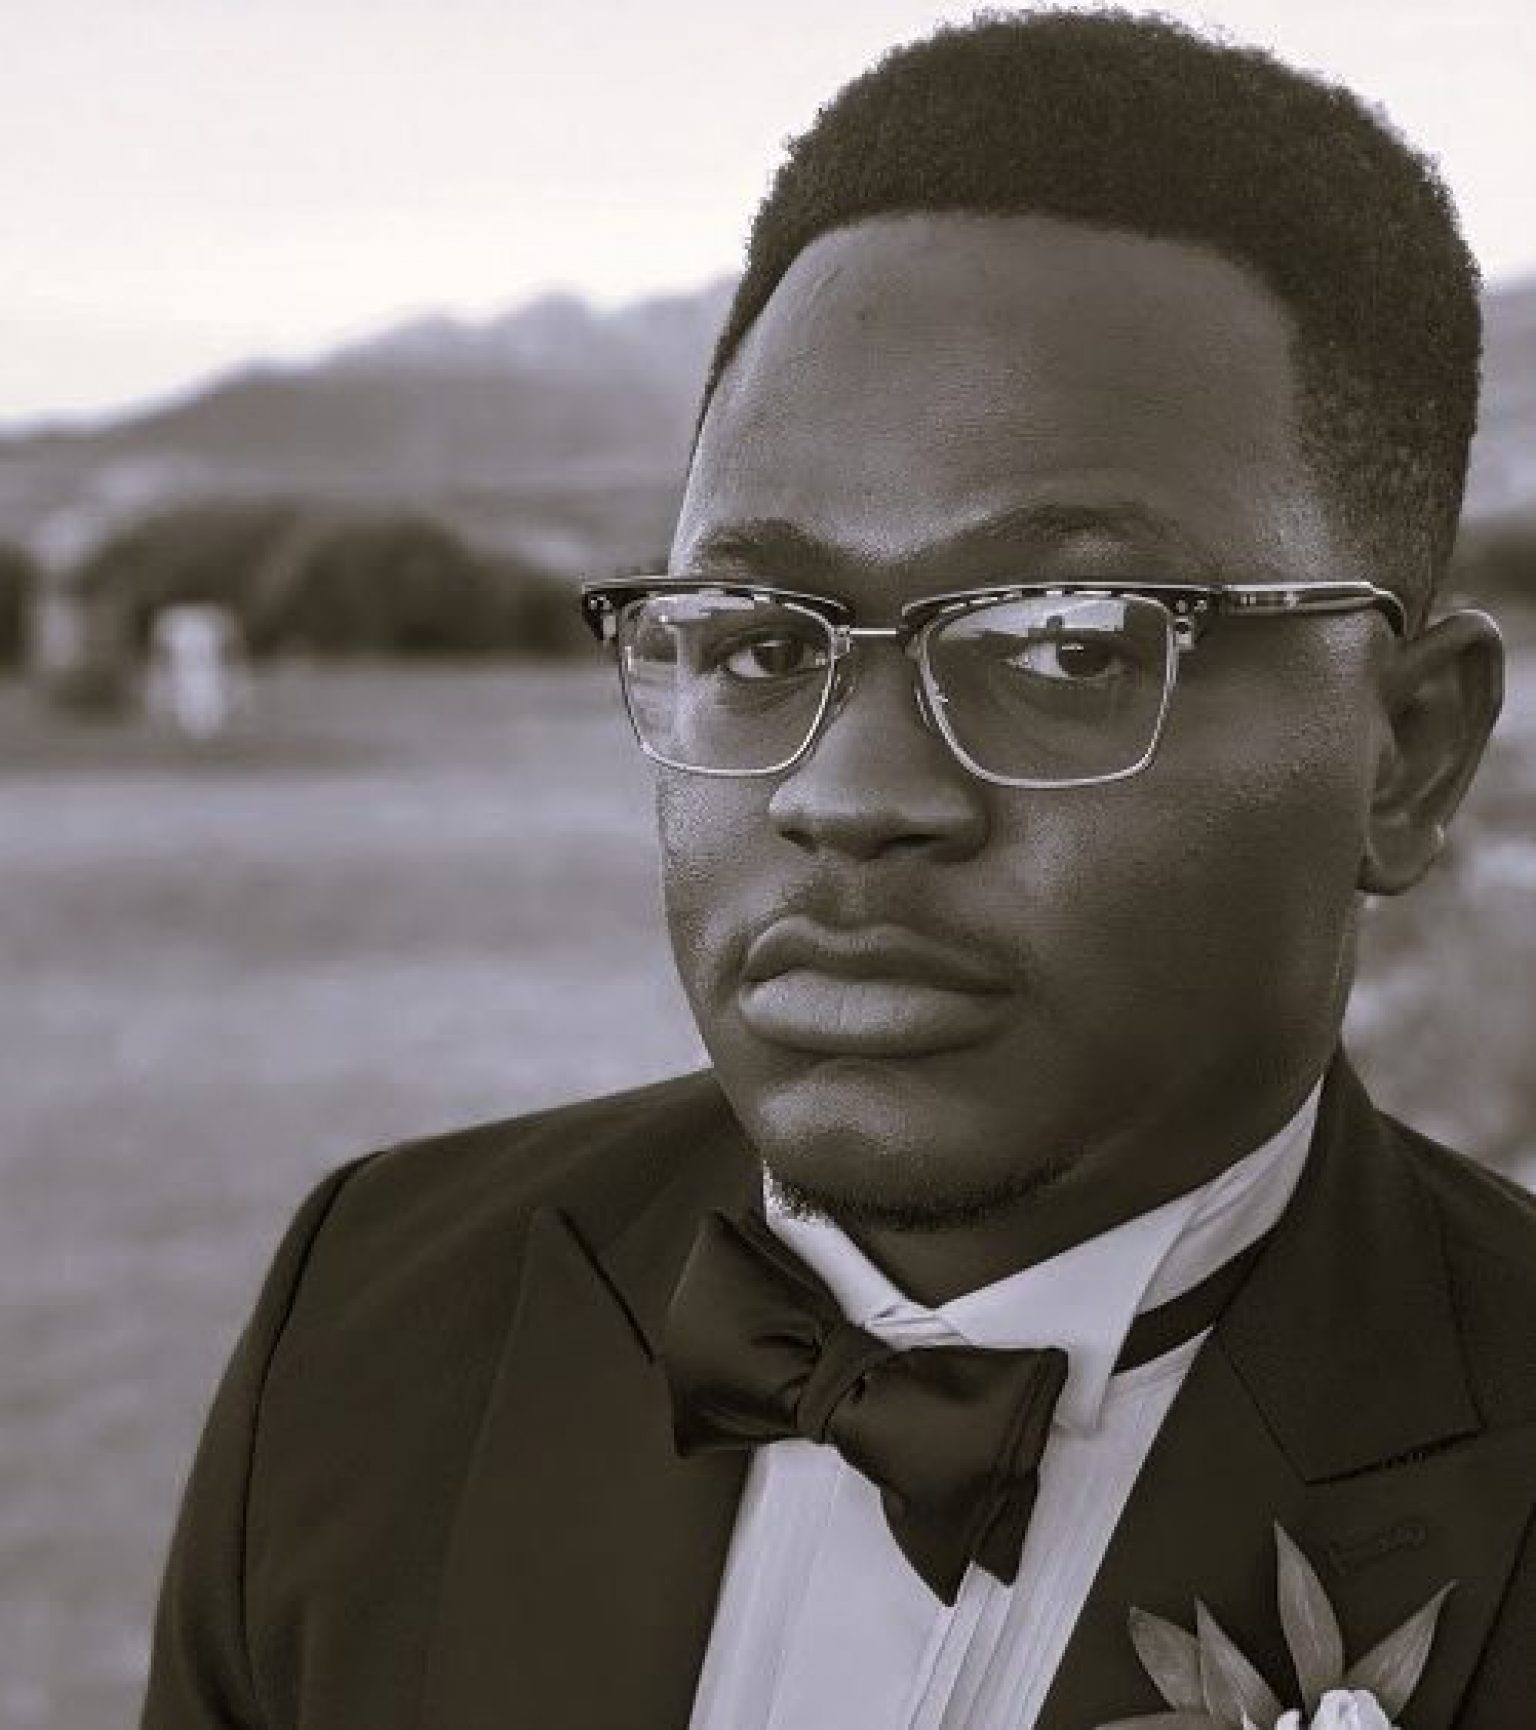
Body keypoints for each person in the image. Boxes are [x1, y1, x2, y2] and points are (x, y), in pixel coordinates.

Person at [141, 13, 1536, 1729]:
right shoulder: (369, 1310)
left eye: (1069, 640)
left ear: (1408, 754)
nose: (849, 793)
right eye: (751, 638)